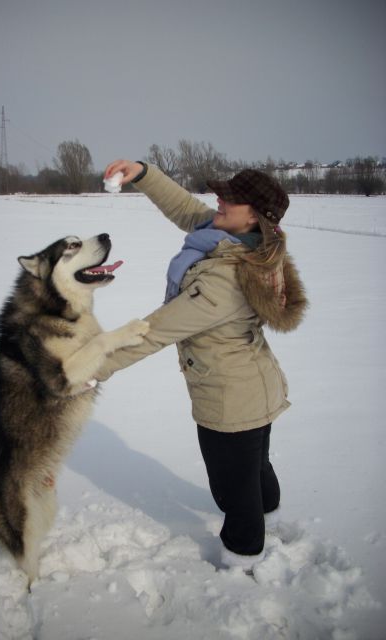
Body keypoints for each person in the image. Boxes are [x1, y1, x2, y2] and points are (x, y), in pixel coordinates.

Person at [95, 159, 308, 573]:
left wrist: (89, 366)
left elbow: (154, 331)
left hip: (229, 401)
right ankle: (269, 517)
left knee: (233, 489)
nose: (219, 200)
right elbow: (186, 209)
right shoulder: (238, 239)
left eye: (232, 198)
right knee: (255, 468)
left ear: (256, 216)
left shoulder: (224, 279)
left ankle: (243, 556)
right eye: (222, 194)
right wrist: (143, 173)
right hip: (254, 386)